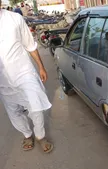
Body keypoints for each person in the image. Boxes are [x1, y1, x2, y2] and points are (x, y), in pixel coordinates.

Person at [0, 3, 54, 153]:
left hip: (24, 72)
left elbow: (30, 45)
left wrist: (41, 67)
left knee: (35, 105)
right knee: (14, 111)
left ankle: (40, 136)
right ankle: (27, 134)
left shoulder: (15, 18)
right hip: (2, 79)